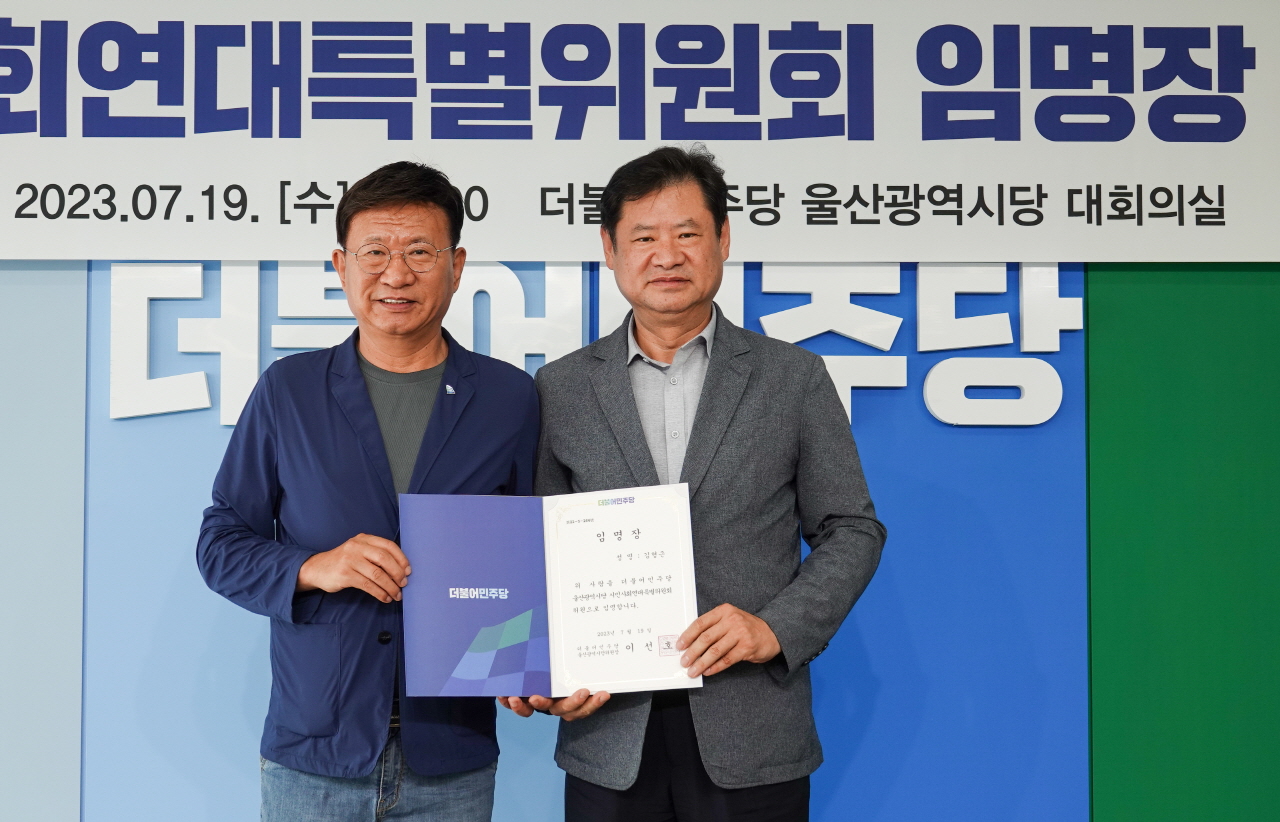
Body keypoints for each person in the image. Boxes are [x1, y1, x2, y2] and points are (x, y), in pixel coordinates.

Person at [500, 145, 886, 822]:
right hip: (607, 732)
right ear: (610, 250)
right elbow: (533, 549)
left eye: (687, 234)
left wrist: (775, 628)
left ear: (723, 239)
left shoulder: (792, 378)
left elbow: (851, 529)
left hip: (751, 727)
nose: (667, 256)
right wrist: (535, 667)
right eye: (644, 237)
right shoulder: (561, 387)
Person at [198, 161, 539, 822]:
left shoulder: (509, 398)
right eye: (374, 252)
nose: (396, 274)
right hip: (314, 750)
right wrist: (313, 567)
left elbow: (532, 556)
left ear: (456, 265)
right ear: (341, 265)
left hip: (452, 751)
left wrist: (532, 667)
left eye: (419, 252)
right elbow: (221, 543)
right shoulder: (289, 390)